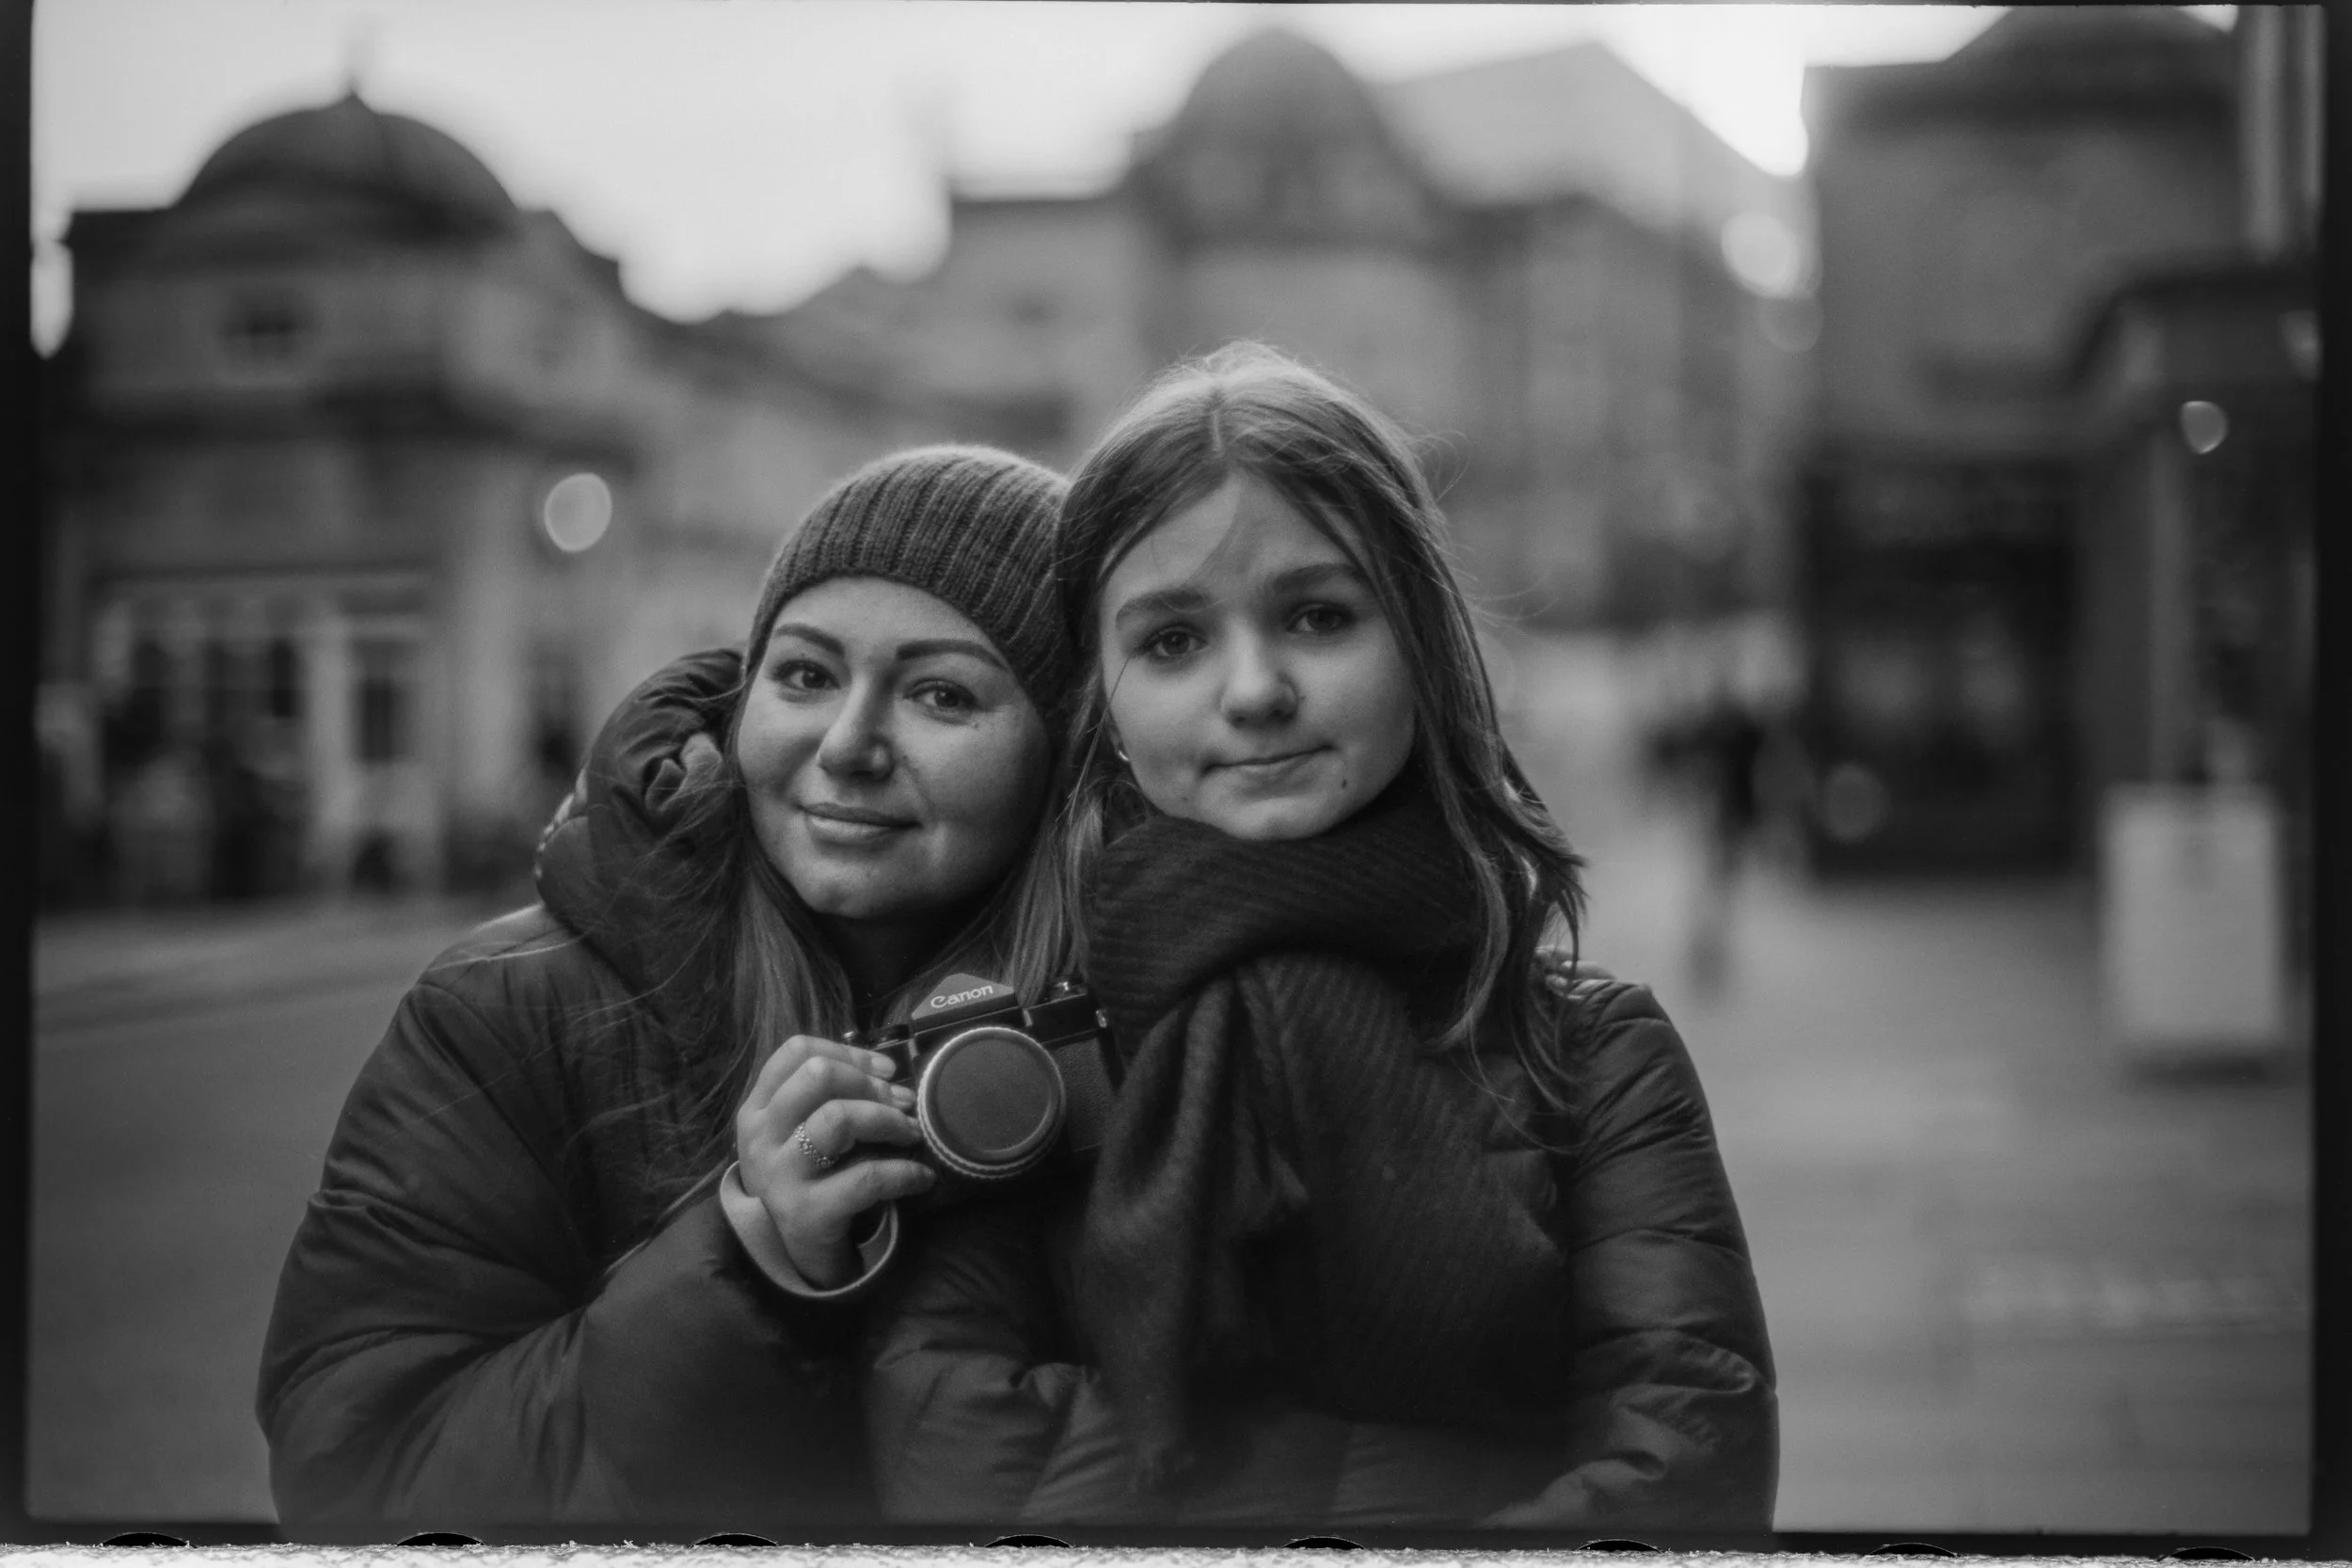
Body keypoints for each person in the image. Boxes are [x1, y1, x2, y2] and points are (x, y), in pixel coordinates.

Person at [863, 345, 1778, 1531]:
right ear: (1106, 708)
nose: (1254, 689)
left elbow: (1688, 1471)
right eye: (1173, 640)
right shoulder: (1017, 1059)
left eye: (1316, 615)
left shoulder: (1596, 1059)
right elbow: (947, 1454)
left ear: (1421, 648)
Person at [255, 446, 1081, 1536]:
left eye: (941, 691)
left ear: (1065, 744)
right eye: (805, 674)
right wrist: (742, 1263)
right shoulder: (503, 1008)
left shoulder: (1150, 1011)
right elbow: (361, 1470)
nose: (846, 744)